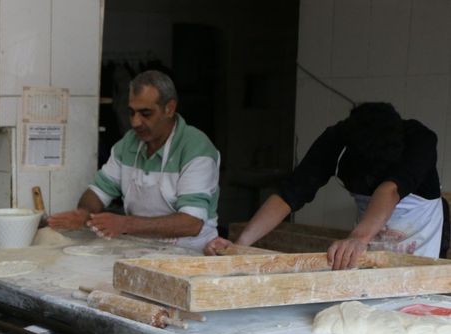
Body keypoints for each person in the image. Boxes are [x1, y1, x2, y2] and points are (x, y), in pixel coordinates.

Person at [204, 102, 446, 269]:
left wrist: (357, 238)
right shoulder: (338, 139)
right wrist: (239, 246)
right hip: (370, 233)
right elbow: (291, 193)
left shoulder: (419, 140)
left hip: (419, 233)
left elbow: (389, 190)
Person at [48, 70, 220, 250]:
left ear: (169, 108)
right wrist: (84, 213)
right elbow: (98, 191)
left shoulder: (196, 149)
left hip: (189, 254)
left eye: (146, 113)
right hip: (138, 250)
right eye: (131, 113)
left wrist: (125, 224)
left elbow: (191, 223)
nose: (135, 122)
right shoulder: (128, 144)